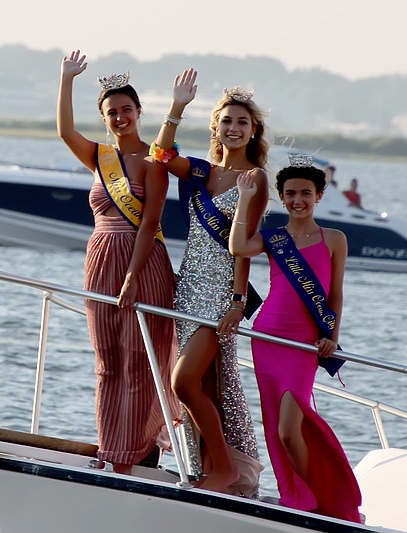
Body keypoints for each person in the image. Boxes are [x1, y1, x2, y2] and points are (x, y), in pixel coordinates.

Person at [56, 50, 180, 474]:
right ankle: (112, 446)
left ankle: (139, 450)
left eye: (127, 109)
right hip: (100, 258)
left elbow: (150, 225)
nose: (120, 117)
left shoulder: (153, 161)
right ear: (105, 117)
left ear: (140, 112)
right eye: (112, 112)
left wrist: (131, 277)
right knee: (107, 359)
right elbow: (64, 130)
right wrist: (67, 78)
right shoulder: (97, 157)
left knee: (139, 356)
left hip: (142, 263)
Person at [151, 68, 268, 495]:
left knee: (183, 382)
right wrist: (177, 106)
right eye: (227, 121)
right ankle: (208, 465)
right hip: (187, 288)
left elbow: (243, 247)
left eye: (243, 122)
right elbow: (161, 155)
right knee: (196, 384)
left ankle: (226, 468)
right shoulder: (200, 173)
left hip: (220, 291)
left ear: (253, 131)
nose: (234, 128)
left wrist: (237, 300)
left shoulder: (253, 179)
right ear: (216, 127)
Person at [229, 158, 362, 522]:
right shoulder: (274, 238)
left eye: (306, 193)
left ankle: (317, 499)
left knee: (291, 430)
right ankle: (302, 499)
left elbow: (335, 295)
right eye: (290, 194)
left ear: (319, 196)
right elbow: (238, 246)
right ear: (282, 198)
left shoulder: (334, 239)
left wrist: (331, 337)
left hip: (304, 345)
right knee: (277, 426)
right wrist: (244, 198)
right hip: (268, 336)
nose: (298, 200)